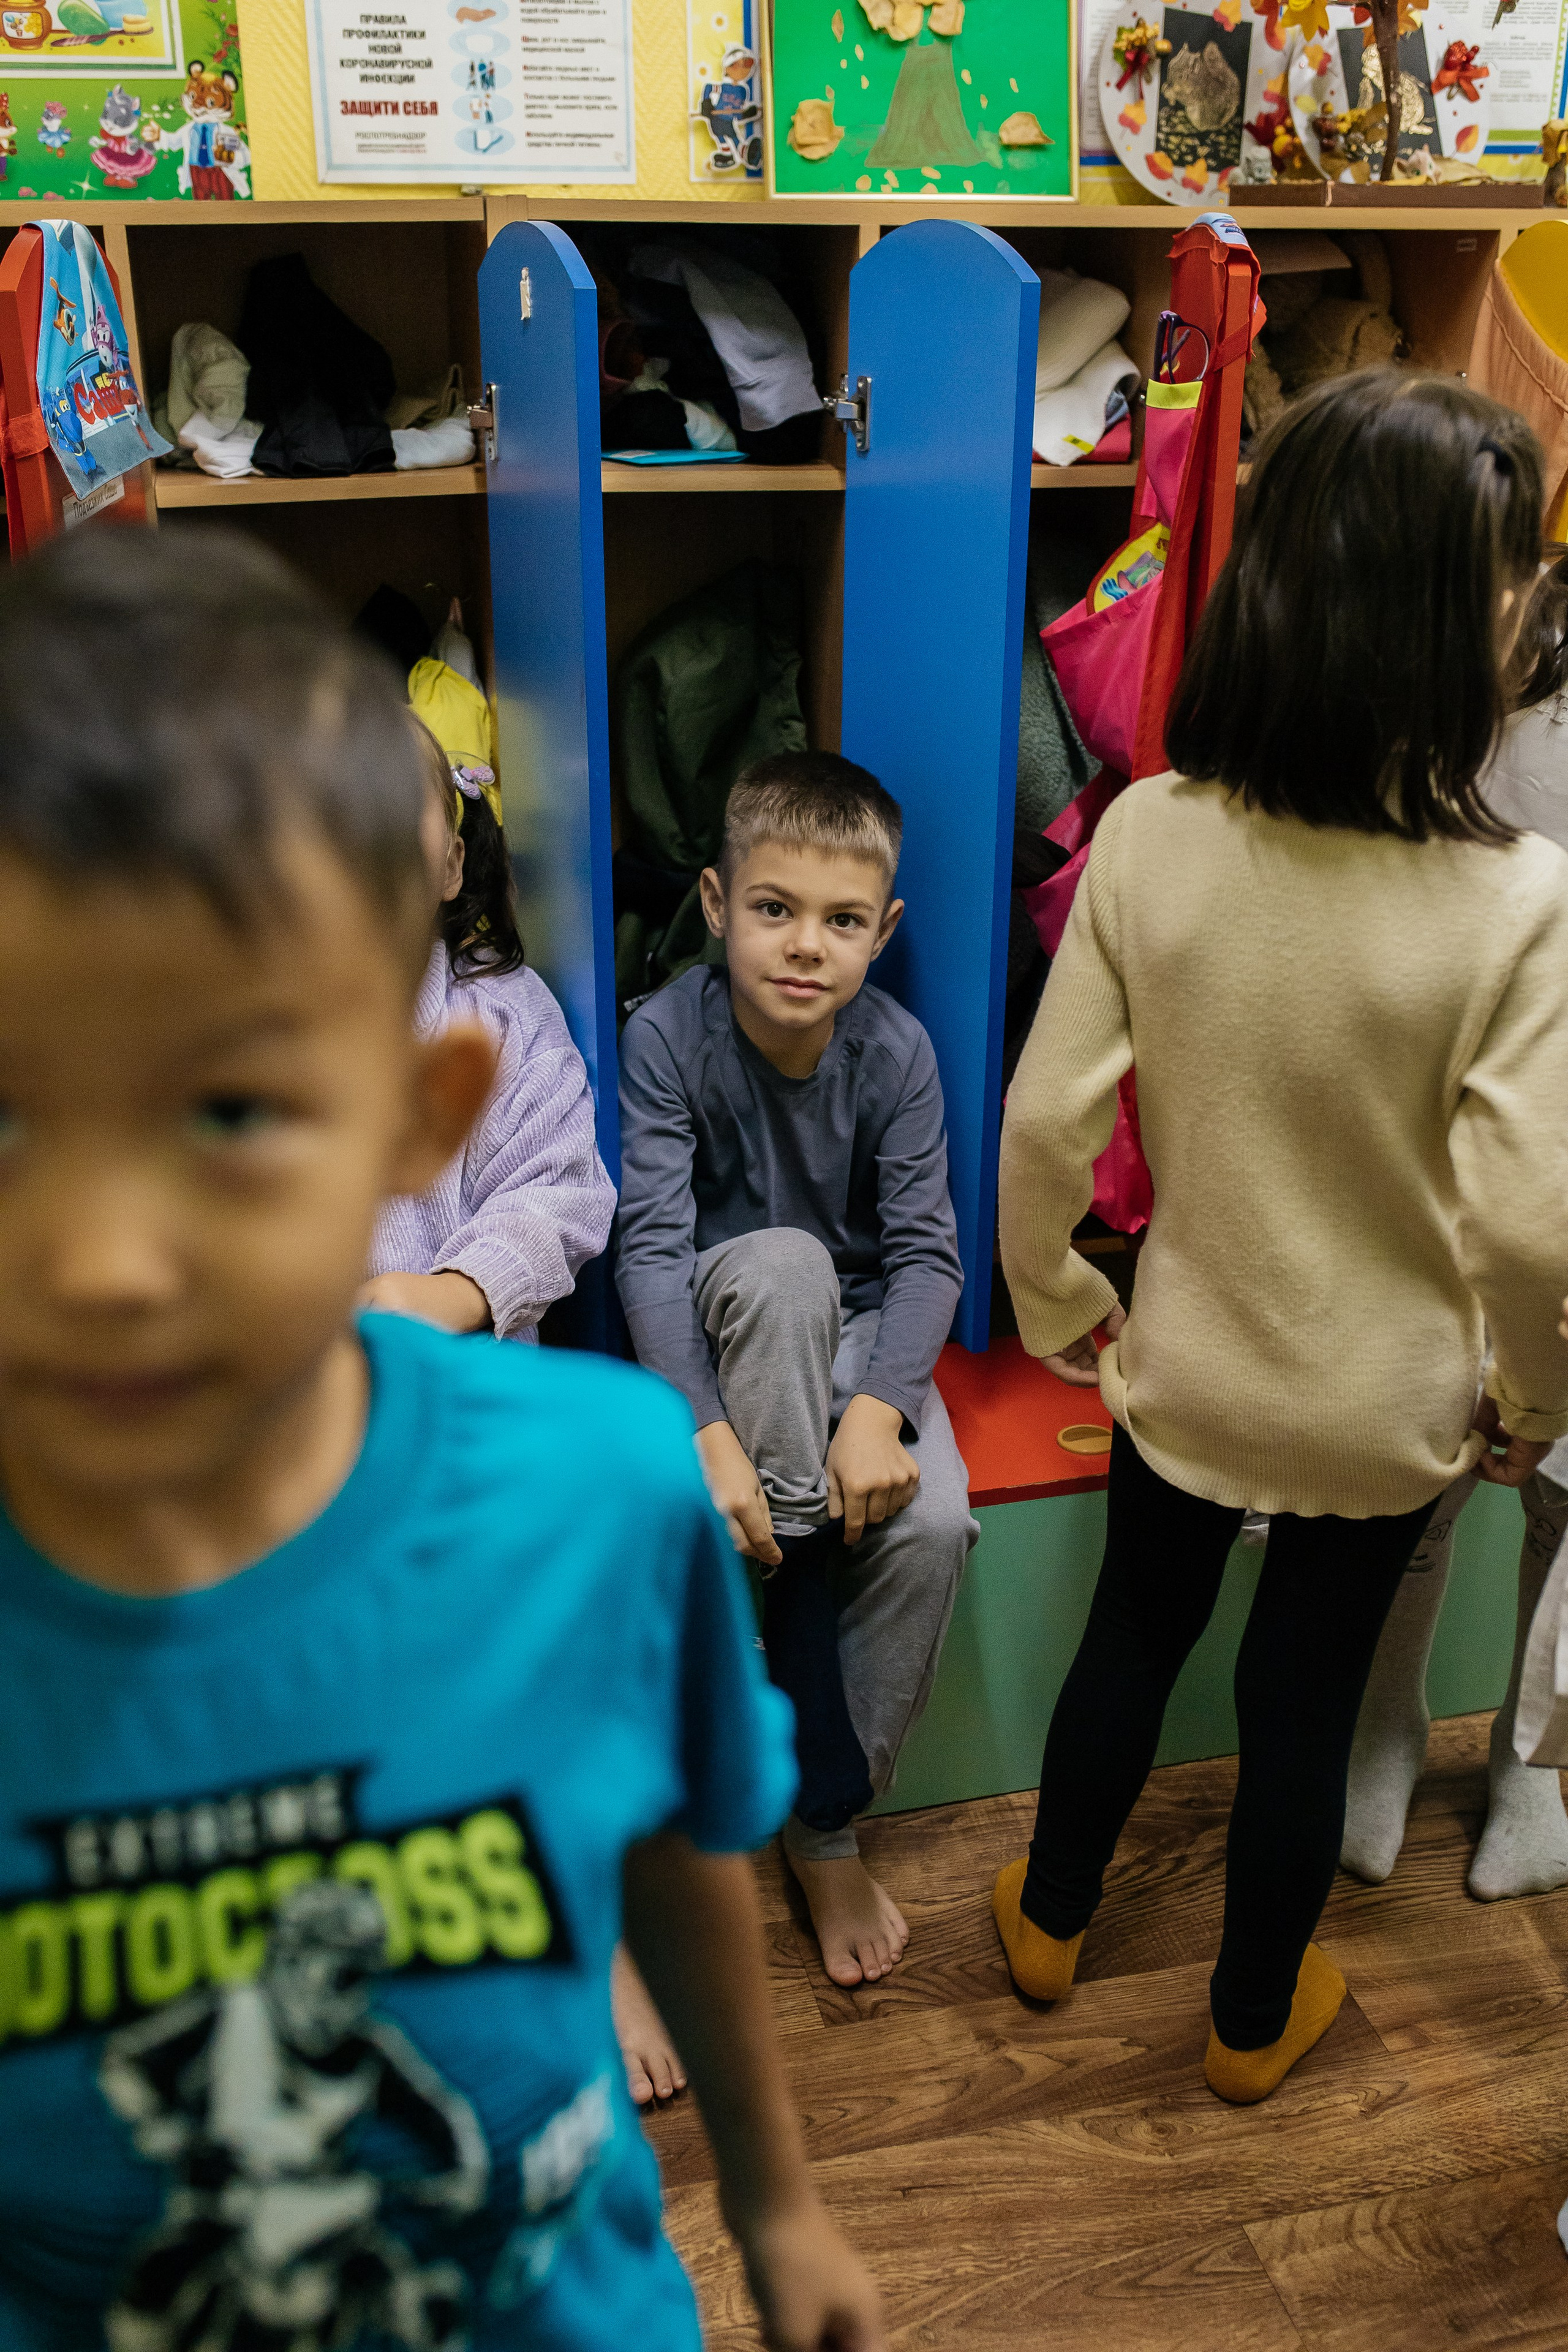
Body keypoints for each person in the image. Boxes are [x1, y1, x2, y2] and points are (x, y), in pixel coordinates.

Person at [0, 527, 884, 2352]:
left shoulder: (600, 1488)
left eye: (230, 1108)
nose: (109, 1256)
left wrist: (776, 2195)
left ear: (418, 1107)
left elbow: (676, 1838)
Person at [992, 371, 1568, 2105]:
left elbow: (1043, 1124)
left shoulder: (1153, 832)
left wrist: (1052, 1299)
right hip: (1380, 1406)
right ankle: (1249, 2023)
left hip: (1187, 1359)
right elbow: (1528, 1227)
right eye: (1515, 574)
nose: (1532, 602)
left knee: (1132, 1633)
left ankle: (1049, 1917)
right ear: (1448, 620)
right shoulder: (1516, 898)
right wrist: (1530, 1400)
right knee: (1300, 1701)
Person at [616, 753, 978, 1990]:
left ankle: (823, 1811)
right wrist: (706, 1432)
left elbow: (927, 1259)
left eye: (842, 921)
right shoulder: (667, 1035)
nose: (806, 946)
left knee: (934, 1523)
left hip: (851, 1342)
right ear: (717, 904)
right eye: (774, 908)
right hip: (719, 1330)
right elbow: (651, 1255)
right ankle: (802, 1703)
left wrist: (876, 1413)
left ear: (884, 930)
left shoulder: (896, 1053)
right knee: (782, 1265)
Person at [1343, 546, 1568, 1899]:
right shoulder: (1510, 624)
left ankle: (1529, 1762)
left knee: (1565, 1485)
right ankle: (1385, 1717)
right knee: (1429, 1430)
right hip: (1475, 1091)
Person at [361, 715, 615, 1342]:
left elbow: (558, 1187)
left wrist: (461, 1288)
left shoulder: (503, 1013)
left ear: (451, 867)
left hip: (468, 1364)